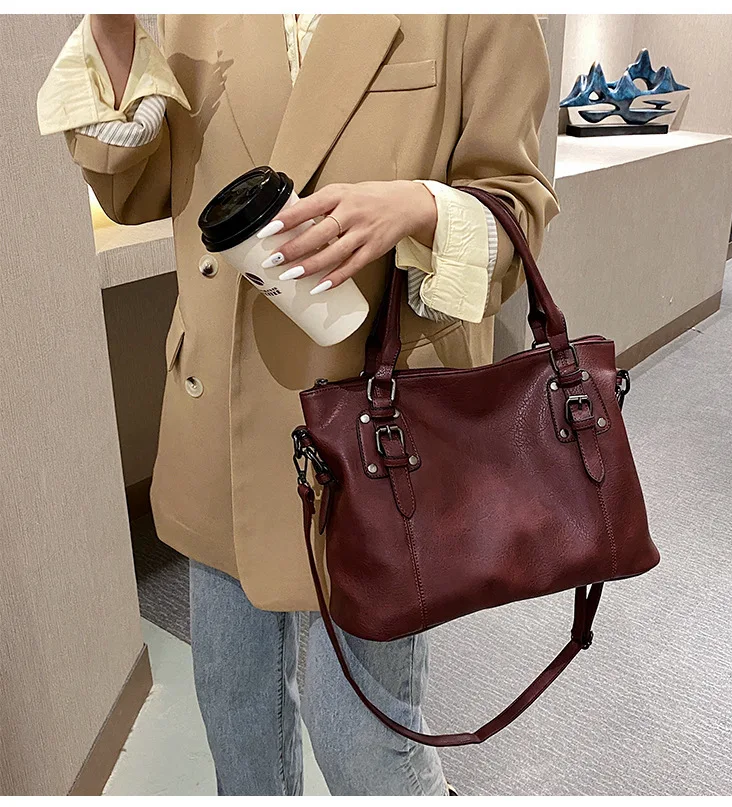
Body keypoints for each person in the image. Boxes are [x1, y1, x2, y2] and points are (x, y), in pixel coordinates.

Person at [38, 13, 560, 796]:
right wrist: (114, 32)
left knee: (363, 742)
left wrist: (418, 205)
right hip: (221, 419)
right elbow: (138, 190)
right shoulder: (189, 14)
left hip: (377, 429)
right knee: (236, 717)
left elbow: (517, 210)